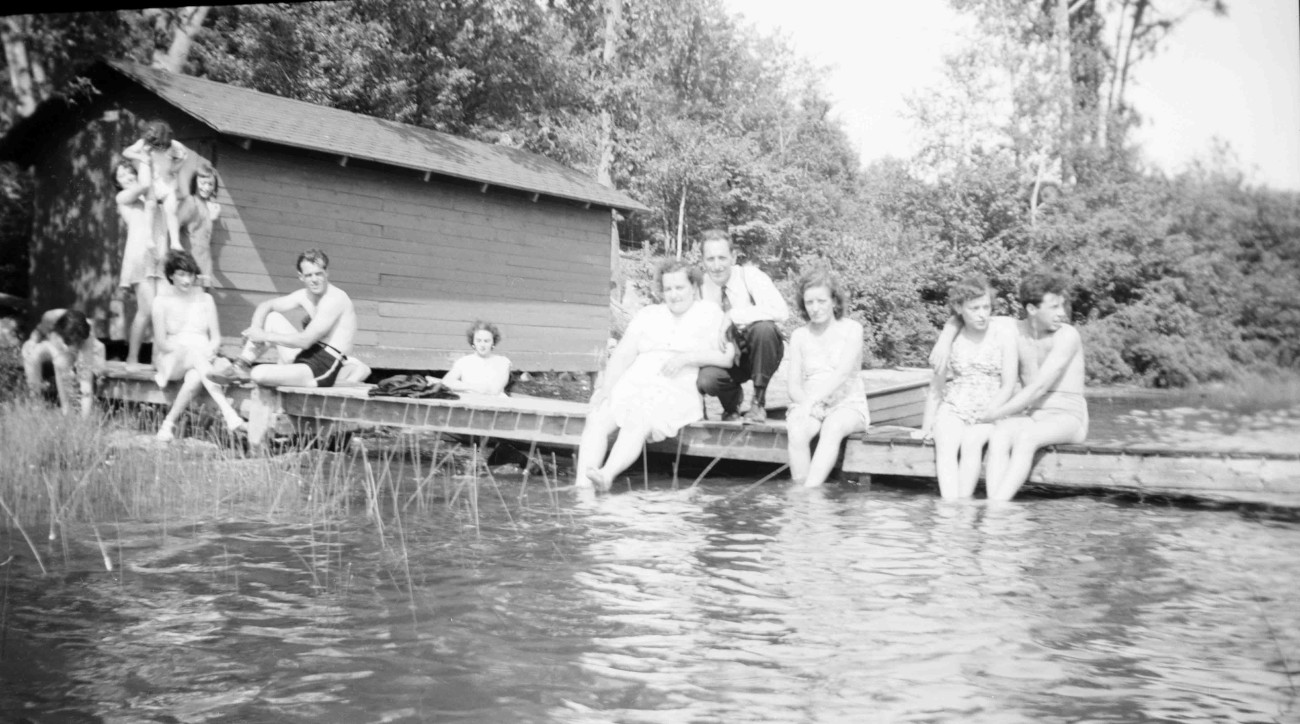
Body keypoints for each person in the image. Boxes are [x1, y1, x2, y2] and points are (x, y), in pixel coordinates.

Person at [577, 259, 734, 489]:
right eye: (668, 289)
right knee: (597, 416)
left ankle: (607, 475)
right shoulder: (649, 314)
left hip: (676, 385)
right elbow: (622, 355)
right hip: (635, 382)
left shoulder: (709, 313)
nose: (674, 294)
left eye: (679, 287)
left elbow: (727, 358)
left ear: (693, 287)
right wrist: (605, 389)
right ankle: (582, 487)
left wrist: (687, 358)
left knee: (638, 418)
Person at [979, 271, 1088, 502]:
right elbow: (965, 313)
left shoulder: (1067, 336)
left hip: (1068, 418)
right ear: (1031, 309)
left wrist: (994, 413)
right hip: (1035, 416)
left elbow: (1038, 389)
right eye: (1054, 307)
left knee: (1026, 437)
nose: (1062, 314)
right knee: (999, 434)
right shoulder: (1014, 329)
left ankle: (996, 507)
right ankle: (994, 502)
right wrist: (946, 338)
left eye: (1062, 306)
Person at [917, 274, 1018, 500]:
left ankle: (963, 504)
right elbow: (937, 386)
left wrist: (989, 412)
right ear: (959, 308)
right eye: (975, 308)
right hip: (955, 405)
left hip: (991, 408)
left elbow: (1009, 385)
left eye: (986, 307)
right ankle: (950, 507)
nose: (982, 314)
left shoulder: (1004, 335)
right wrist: (926, 426)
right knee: (945, 441)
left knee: (972, 441)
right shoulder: (951, 338)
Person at [221, 248, 370, 389]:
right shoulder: (305, 295)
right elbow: (267, 305)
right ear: (301, 276)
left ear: (326, 273)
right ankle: (240, 365)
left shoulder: (334, 299)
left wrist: (264, 336)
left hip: (325, 363)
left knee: (258, 373)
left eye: (319, 274)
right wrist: (255, 328)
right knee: (272, 317)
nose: (314, 280)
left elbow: (305, 341)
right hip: (307, 355)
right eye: (309, 275)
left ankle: (303, 379)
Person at [785, 270, 871, 488]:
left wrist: (812, 401)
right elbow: (793, 385)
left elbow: (842, 374)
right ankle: (801, 491)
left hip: (848, 404)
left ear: (834, 300)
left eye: (821, 301)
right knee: (797, 431)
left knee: (832, 427)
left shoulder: (853, 329)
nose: (815, 308)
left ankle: (809, 492)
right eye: (809, 302)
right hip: (810, 406)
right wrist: (807, 404)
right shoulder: (799, 336)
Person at [696, 229, 789, 423]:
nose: (717, 266)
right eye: (710, 259)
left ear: (733, 257)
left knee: (763, 329)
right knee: (707, 379)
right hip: (724, 356)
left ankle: (758, 402)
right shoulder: (699, 287)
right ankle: (731, 406)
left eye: (722, 258)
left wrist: (734, 315)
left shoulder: (750, 276)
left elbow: (781, 311)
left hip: (759, 351)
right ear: (703, 261)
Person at [151, 250, 245, 441]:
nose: (187, 280)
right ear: (171, 275)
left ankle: (168, 425)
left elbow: (216, 338)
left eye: (191, 275)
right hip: (172, 360)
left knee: (195, 377)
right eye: (181, 275)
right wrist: (188, 352)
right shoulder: (161, 302)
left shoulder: (205, 299)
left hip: (201, 360)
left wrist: (210, 350)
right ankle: (228, 412)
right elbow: (161, 343)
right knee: (195, 356)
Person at [121, 120, 198, 255]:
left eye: (163, 146)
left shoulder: (174, 146)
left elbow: (174, 169)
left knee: (171, 210)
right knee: (150, 205)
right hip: (151, 182)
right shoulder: (143, 143)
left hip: (167, 183)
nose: (161, 149)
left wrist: (181, 161)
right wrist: (140, 156)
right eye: (157, 146)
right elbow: (126, 152)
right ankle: (149, 238)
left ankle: (175, 241)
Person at [114, 158, 163, 366]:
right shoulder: (123, 197)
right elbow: (144, 184)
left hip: (159, 256)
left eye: (128, 172)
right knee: (146, 309)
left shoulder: (151, 198)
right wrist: (144, 157)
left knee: (161, 308)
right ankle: (132, 357)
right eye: (121, 175)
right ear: (117, 183)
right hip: (139, 257)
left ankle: (156, 359)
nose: (127, 177)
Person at [22, 309, 106, 417]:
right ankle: (35, 403)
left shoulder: (86, 338)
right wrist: (32, 341)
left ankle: (67, 410)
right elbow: (39, 331)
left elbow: (86, 384)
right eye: (70, 340)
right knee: (32, 354)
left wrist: (85, 420)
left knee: (61, 362)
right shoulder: (50, 317)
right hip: (55, 347)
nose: (73, 343)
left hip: (83, 353)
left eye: (76, 341)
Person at [175, 161, 221, 288]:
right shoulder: (190, 203)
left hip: (204, 265)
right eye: (203, 183)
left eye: (210, 184)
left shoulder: (210, 207)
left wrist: (211, 219)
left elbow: (205, 239)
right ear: (195, 182)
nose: (206, 188)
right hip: (188, 265)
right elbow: (174, 228)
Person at [441, 320, 511, 396]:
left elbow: (495, 390)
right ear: (473, 342)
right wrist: (472, 387)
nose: (482, 344)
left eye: (486, 341)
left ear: (493, 343)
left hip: (495, 403)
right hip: (470, 402)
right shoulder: (464, 361)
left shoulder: (502, 362)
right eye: (478, 340)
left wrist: (462, 386)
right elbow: (447, 382)